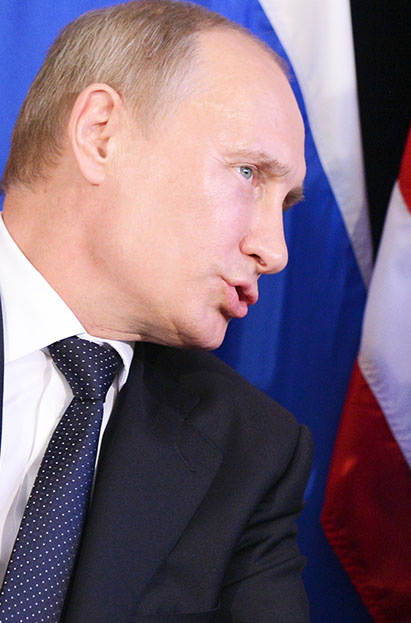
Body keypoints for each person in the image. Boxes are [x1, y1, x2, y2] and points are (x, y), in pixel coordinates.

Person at [0, 1, 311, 621]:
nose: (273, 251)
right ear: (100, 134)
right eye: (248, 172)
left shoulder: (252, 453)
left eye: (287, 203)